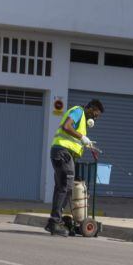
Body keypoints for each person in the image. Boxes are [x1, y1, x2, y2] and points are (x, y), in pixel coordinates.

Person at [46, 100, 104, 235]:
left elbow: (73, 137)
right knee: (66, 188)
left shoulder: (83, 120)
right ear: (90, 108)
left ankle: (54, 222)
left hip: (62, 153)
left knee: (61, 188)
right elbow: (67, 126)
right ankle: (55, 222)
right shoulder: (78, 111)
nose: (95, 118)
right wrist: (82, 137)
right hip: (63, 153)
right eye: (95, 114)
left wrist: (86, 143)